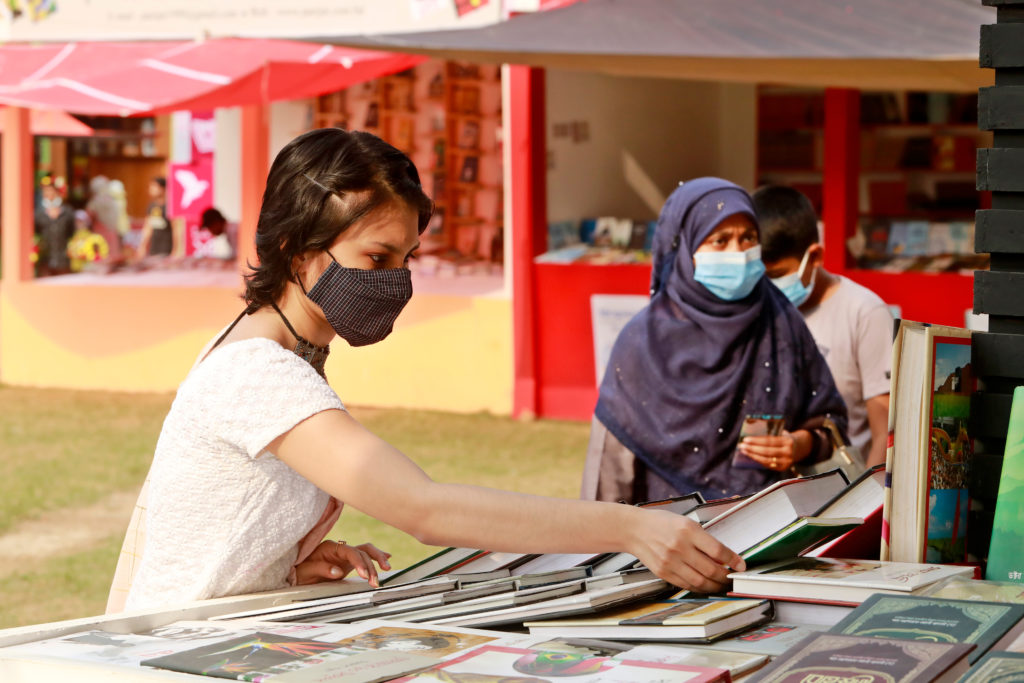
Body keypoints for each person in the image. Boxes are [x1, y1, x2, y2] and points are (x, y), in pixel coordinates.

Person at [107, 129, 745, 614]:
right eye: (377, 256)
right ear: (293, 251)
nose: (395, 281)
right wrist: (630, 526)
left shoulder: (279, 352)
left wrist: (278, 564)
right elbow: (423, 508)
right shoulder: (257, 371)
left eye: (407, 257)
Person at [581, 178, 848, 504]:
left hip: (769, 529)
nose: (738, 253)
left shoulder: (780, 321)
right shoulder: (643, 343)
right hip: (669, 538)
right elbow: (610, 475)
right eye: (720, 241)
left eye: (748, 238)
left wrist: (800, 444)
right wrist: (610, 548)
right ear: (685, 251)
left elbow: (829, 420)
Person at [754, 185, 893, 468]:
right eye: (758, 276)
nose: (767, 286)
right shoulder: (752, 309)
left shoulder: (864, 312)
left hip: (840, 494)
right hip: (764, 495)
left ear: (815, 257)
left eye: (777, 275)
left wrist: (867, 506)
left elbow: (886, 435)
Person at [33, 175, 76, 277]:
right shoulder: (38, 214)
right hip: (45, 261)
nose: (48, 194)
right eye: (46, 191)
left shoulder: (68, 212)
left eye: (51, 191)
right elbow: (35, 234)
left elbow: (72, 233)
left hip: (64, 261)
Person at [138, 176, 173, 257]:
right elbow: (148, 227)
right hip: (154, 248)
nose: (151, 189)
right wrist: (142, 246)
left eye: (154, 186)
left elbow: (177, 229)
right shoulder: (152, 206)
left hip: (167, 248)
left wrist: (177, 250)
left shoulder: (170, 206)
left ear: (163, 188)